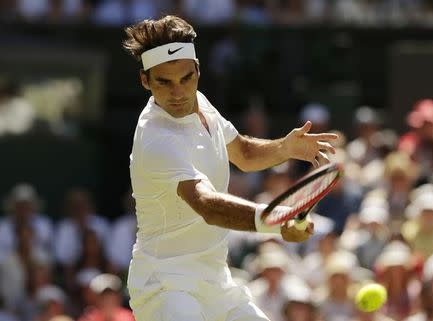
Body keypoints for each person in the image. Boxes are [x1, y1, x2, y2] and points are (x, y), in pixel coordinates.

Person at [123, 15, 337, 321]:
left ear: (197, 71)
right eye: (164, 82)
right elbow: (207, 206)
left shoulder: (200, 104)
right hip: (165, 286)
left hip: (216, 283)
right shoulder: (157, 139)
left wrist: (285, 148)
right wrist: (277, 219)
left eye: (186, 78)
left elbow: (244, 154)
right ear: (145, 80)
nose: (178, 93)